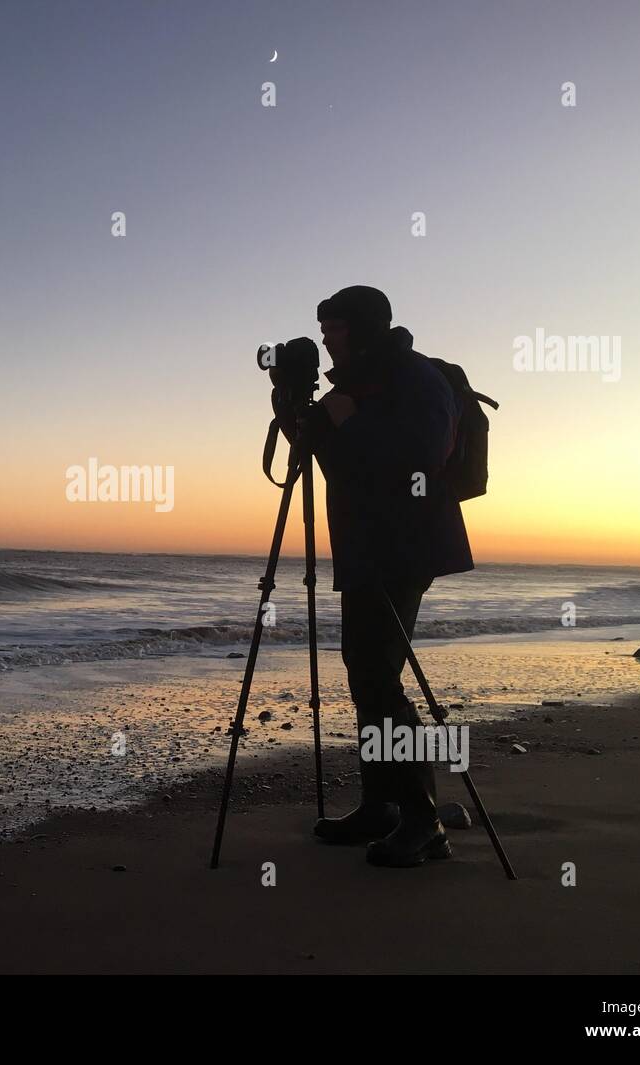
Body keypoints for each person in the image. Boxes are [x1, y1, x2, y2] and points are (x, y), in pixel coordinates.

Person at [271, 286, 473, 867]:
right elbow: (327, 454)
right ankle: (381, 806)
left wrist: (346, 418)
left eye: (334, 329)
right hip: (365, 549)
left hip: (405, 548)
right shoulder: (357, 385)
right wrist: (293, 404)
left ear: (361, 329)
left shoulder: (415, 377)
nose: (327, 340)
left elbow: (419, 461)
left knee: (379, 678)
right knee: (366, 673)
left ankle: (423, 820)